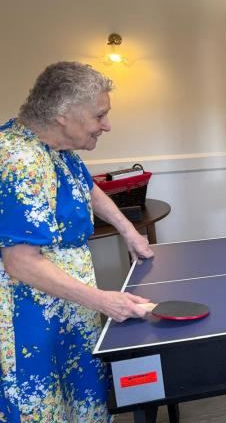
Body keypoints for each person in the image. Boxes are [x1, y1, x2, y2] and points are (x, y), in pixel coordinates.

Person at [0, 62, 154, 422]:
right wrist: (103, 301)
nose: (107, 125)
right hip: (30, 317)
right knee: (45, 410)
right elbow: (20, 262)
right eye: (99, 115)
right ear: (62, 114)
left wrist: (127, 231)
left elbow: (88, 188)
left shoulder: (57, 147)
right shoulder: (19, 159)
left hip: (72, 302)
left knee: (84, 399)